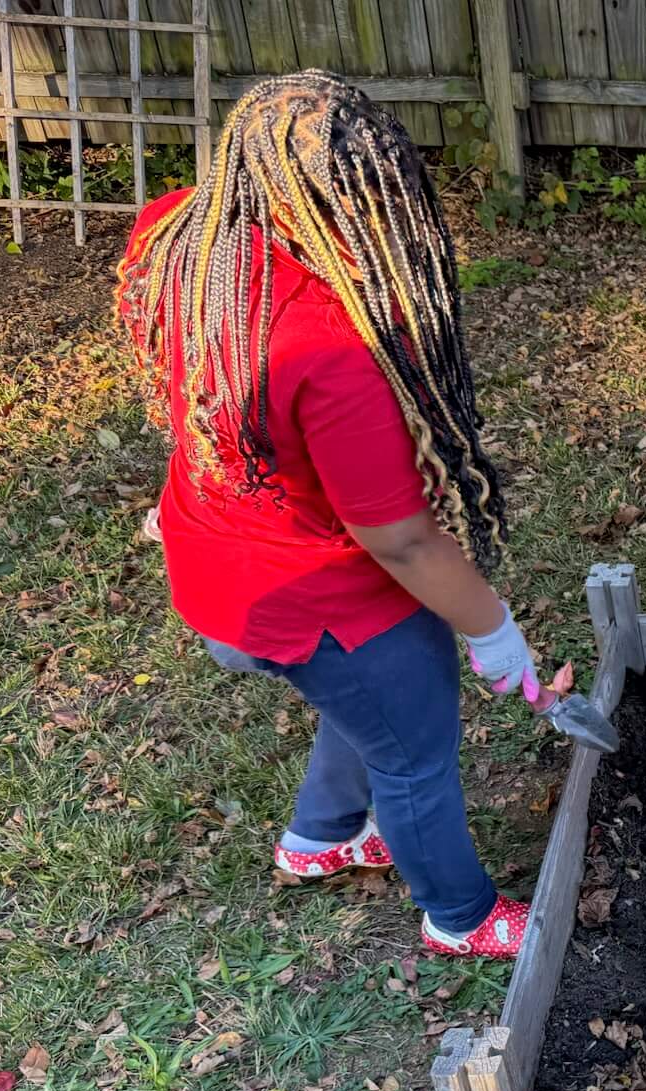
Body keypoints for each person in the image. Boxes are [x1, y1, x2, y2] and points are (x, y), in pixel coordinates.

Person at [117, 71, 545, 959]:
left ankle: (320, 839)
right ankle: (459, 917)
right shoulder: (333, 345)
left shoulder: (183, 235)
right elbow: (400, 537)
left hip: (211, 564)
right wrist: (493, 631)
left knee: (359, 707)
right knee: (414, 746)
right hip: (315, 596)